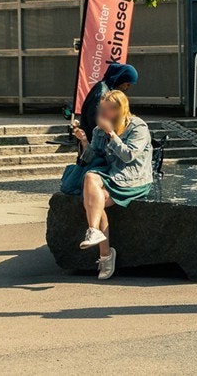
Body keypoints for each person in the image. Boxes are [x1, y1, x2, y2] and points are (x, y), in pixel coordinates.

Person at [75, 89, 153, 280]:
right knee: (91, 182)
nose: (101, 113)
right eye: (101, 109)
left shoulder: (137, 127)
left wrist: (111, 133)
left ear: (119, 110)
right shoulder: (98, 130)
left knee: (94, 197)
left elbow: (128, 156)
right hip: (111, 176)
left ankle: (105, 254)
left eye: (107, 109)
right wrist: (84, 141)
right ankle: (96, 236)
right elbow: (92, 158)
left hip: (134, 179)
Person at [72, 62, 139, 165]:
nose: (128, 87)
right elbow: (96, 119)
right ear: (120, 79)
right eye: (127, 83)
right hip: (93, 143)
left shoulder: (105, 88)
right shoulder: (103, 93)